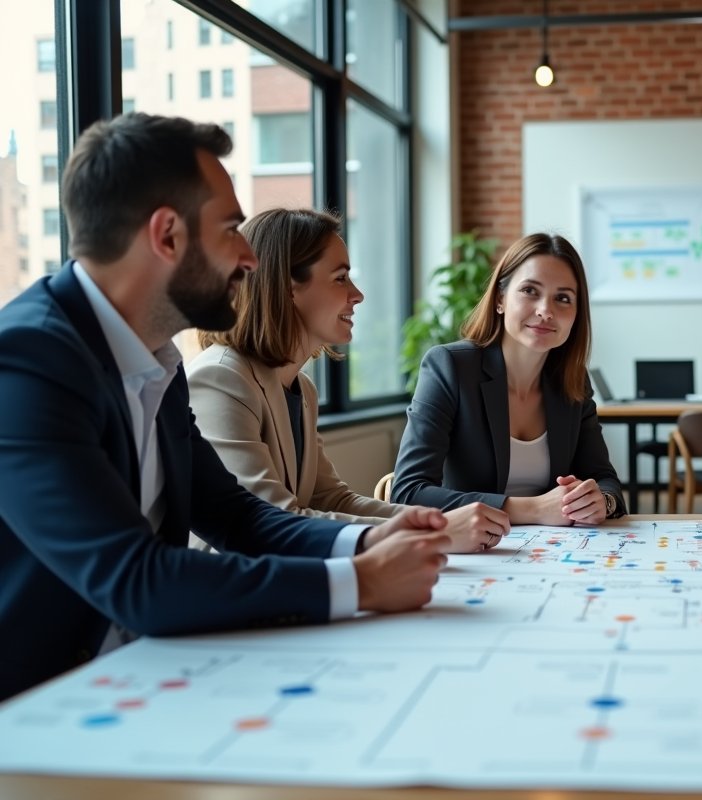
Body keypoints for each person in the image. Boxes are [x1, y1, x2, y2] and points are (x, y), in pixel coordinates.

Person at [0, 114, 449, 703]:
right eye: (230, 229)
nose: (250, 257)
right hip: (43, 708)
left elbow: (238, 517)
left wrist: (370, 543)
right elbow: (137, 579)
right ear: (167, 236)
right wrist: (359, 581)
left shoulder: (157, 360)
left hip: (152, 672)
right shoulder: (28, 364)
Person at [187, 208, 510, 553]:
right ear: (288, 287)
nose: (357, 294)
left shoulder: (301, 388)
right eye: (340, 278)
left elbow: (331, 498)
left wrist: (436, 523)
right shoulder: (221, 379)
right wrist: (435, 534)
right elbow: (273, 520)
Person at [391, 233, 626, 526]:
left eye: (563, 298)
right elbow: (408, 493)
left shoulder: (572, 381)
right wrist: (534, 509)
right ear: (500, 299)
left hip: (551, 552)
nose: (545, 311)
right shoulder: (449, 367)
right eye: (530, 290)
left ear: (577, 315)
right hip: (472, 551)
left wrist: (601, 501)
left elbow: (605, 479)